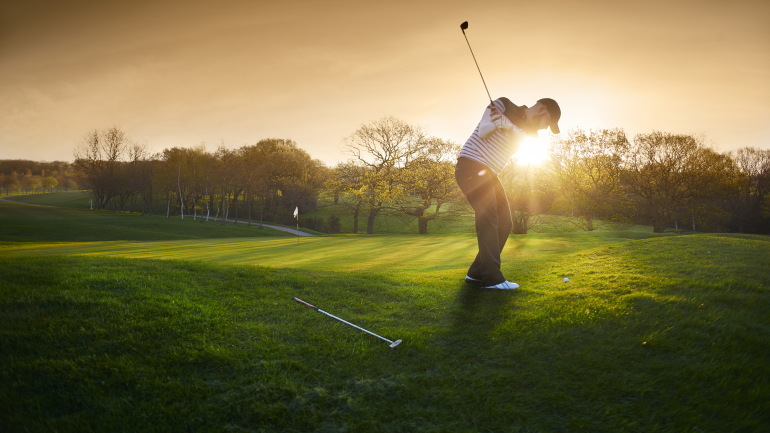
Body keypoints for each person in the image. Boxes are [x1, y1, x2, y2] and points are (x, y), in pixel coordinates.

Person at [455, 97, 561, 290]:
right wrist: (499, 123)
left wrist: (507, 125)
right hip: (472, 166)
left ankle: (476, 273)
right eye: (548, 122)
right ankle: (492, 279)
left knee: (505, 223)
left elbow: (524, 139)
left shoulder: (531, 134)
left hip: (489, 174)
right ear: (542, 110)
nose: (546, 128)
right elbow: (484, 131)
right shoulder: (503, 104)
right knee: (489, 219)